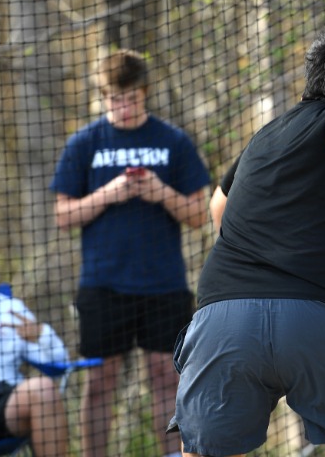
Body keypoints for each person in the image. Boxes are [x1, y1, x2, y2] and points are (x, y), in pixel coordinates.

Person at [169, 26, 325, 457]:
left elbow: (219, 208)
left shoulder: (265, 135)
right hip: (316, 317)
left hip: (224, 318)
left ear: (310, 79)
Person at [50, 49, 210, 457]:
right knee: (100, 381)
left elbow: (199, 215)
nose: (123, 107)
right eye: (115, 99)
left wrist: (161, 193)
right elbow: (63, 216)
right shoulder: (84, 143)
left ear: (145, 92)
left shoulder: (173, 140)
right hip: (103, 284)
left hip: (164, 283)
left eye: (131, 98)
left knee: (166, 376)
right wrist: (107, 194)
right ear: (103, 96)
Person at [0, 222, 69, 456]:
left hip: (7, 406)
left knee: (43, 388)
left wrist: (41, 335)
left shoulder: (9, 308)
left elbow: (61, 363)